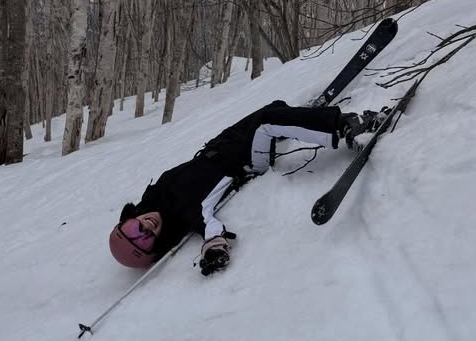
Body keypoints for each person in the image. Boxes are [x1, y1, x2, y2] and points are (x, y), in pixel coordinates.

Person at [109, 100, 380, 275]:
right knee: (265, 124)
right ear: (158, 242)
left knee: (273, 108)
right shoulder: (187, 214)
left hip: (221, 146)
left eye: (134, 228)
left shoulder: (154, 196)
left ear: (128, 218)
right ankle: (344, 127)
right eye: (144, 237)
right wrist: (214, 248)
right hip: (245, 162)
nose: (145, 227)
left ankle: (301, 120)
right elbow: (210, 229)